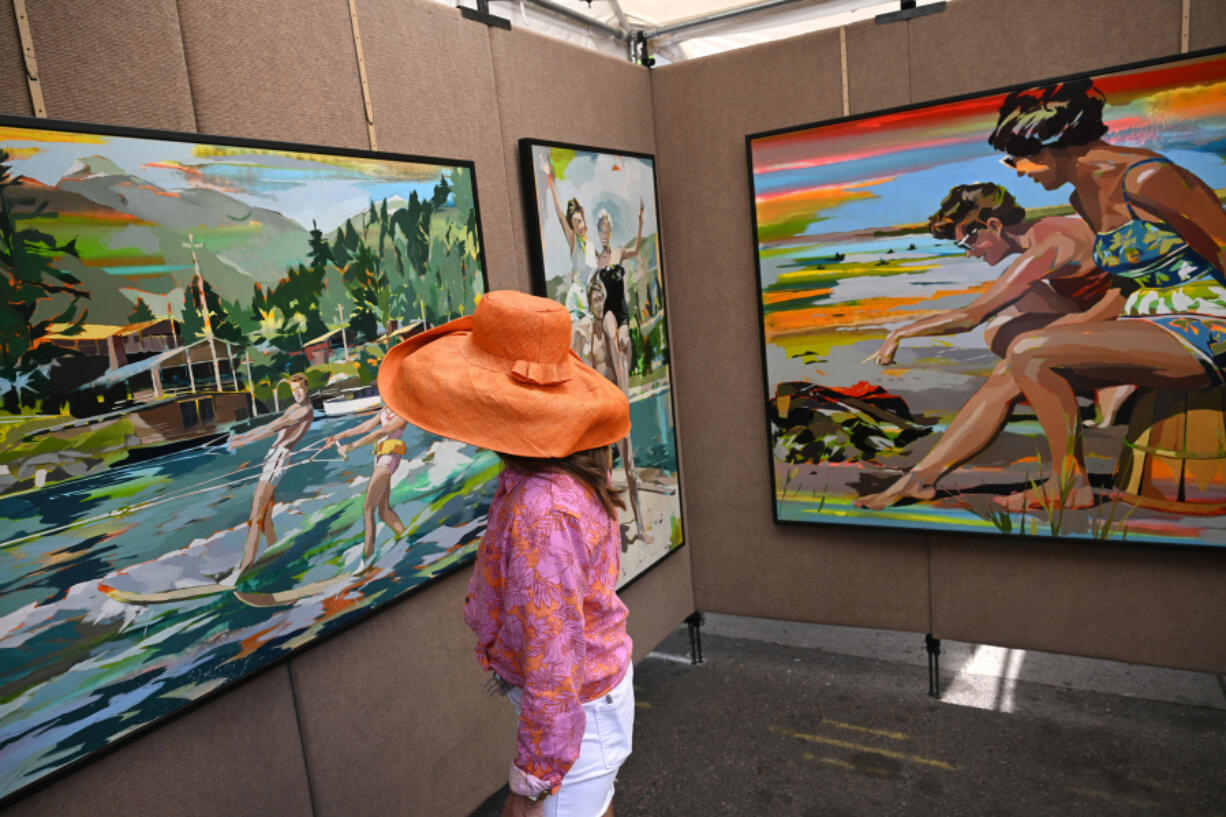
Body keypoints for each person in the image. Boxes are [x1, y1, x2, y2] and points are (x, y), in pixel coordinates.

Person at [378, 290, 635, 817]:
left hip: (575, 710)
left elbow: (554, 661)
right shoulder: (555, 468)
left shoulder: (542, 510)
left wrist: (530, 783)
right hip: (589, 699)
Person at [986, 78, 1226, 511]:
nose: (1019, 172)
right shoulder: (1084, 198)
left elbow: (1223, 248)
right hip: (1150, 321)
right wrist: (1077, 325)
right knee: (1018, 358)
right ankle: (920, 478)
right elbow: (1126, 282)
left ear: (1057, 146)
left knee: (1032, 352)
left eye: (1021, 159)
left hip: (1208, 323)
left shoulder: (1151, 178)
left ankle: (1067, 486)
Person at [856, 183, 1126, 509]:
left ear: (994, 225)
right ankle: (920, 479)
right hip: (1108, 318)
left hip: (1127, 328)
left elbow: (971, 316)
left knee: (1007, 360)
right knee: (1007, 324)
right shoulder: (1046, 232)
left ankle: (1069, 481)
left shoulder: (1049, 248)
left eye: (970, 240)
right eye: (961, 246)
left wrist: (899, 334)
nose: (970, 251)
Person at [221, 372, 314, 585]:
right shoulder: (293, 408)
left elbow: (273, 429)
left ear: (306, 388)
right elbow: (272, 423)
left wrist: (243, 443)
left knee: (256, 516)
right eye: (293, 391)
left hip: (278, 460)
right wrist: (243, 436)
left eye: (300, 390)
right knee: (265, 519)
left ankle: (244, 570)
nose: (297, 394)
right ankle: (277, 558)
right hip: (273, 458)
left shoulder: (304, 410)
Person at [587, 276, 653, 546]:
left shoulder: (611, 321)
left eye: (602, 298)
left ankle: (639, 524)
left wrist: (623, 405)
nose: (600, 303)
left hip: (615, 405)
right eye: (595, 299)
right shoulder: (588, 331)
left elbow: (618, 365)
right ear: (590, 303)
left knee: (630, 468)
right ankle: (609, 531)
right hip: (600, 410)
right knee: (603, 473)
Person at [324, 405, 409, 569]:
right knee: (384, 512)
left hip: (388, 458)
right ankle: (407, 538)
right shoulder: (385, 409)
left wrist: (351, 446)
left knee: (368, 507)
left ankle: (367, 560)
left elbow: (380, 433)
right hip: (379, 458)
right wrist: (338, 436)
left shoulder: (402, 413)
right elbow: (365, 426)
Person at [540, 156, 598, 358]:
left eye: (580, 221)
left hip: (589, 300)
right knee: (573, 346)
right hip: (575, 298)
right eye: (575, 223)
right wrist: (550, 180)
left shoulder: (591, 247)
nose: (579, 226)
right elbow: (558, 212)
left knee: (588, 350)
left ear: (584, 219)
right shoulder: (575, 242)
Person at [593, 205, 645, 398]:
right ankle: (621, 395)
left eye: (606, 231)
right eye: (601, 231)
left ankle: (623, 393)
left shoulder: (619, 252)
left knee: (625, 341)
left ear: (611, 231)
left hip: (622, 311)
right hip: (608, 310)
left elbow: (637, 249)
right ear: (598, 232)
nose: (604, 234)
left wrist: (640, 224)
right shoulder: (598, 259)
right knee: (613, 338)